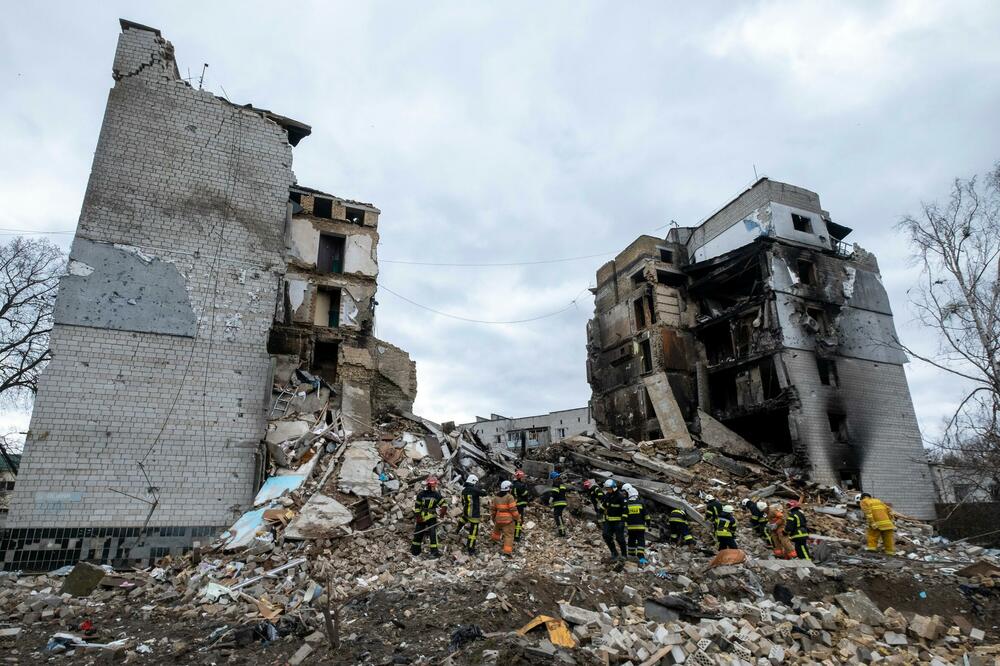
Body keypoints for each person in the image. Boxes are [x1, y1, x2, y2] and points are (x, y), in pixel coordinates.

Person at [411, 476, 446, 557]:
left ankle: (434, 552)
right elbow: (417, 507)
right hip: (422, 517)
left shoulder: (436, 495)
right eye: (433, 485)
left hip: (432, 517)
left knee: (433, 534)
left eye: (435, 485)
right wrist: (418, 517)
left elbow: (443, 503)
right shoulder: (421, 494)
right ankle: (415, 551)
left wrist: (443, 511)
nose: (434, 487)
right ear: (429, 485)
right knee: (417, 534)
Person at [456, 474, 487, 555]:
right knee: (473, 533)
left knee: (463, 519)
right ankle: (471, 549)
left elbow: (463, 502)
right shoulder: (474, 490)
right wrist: (483, 489)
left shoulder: (464, 490)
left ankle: (457, 530)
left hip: (466, 512)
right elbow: (484, 494)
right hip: (474, 514)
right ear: (473, 482)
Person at [490, 480, 521, 557]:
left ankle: (494, 541)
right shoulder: (509, 497)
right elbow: (513, 510)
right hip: (508, 520)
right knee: (509, 535)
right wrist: (518, 518)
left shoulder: (496, 497)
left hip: (498, 518)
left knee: (496, 530)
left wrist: (493, 518)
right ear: (508, 488)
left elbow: (493, 509)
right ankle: (507, 552)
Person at [600, 479, 627, 560]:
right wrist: (599, 511)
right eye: (607, 489)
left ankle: (624, 555)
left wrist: (622, 521)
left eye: (608, 488)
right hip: (609, 521)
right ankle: (614, 553)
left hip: (618, 522)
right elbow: (604, 505)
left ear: (614, 487)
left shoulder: (620, 497)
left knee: (620, 538)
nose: (607, 490)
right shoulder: (608, 495)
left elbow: (625, 510)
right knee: (606, 535)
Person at [624, 486, 651, 562]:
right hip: (640, 527)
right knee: (640, 540)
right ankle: (641, 556)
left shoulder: (627, 504)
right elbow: (646, 515)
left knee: (631, 539)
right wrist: (648, 524)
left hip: (630, 527)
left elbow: (624, 516)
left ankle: (631, 555)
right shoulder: (641, 503)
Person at [546, 470, 569, 537]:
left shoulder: (556, 483)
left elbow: (554, 493)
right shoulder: (562, 483)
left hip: (558, 503)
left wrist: (550, 500)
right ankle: (562, 531)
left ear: (554, 478)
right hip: (562, 502)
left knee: (558, 517)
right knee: (559, 516)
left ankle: (562, 532)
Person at [511, 470, 532, 541]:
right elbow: (525, 494)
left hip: (514, 504)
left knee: (514, 519)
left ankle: (513, 534)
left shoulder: (514, 484)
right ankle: (516, 536)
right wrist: (527, 490)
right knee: (519, 521)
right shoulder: (520, 485)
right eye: (522, 477)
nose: (523, 478)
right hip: (520, 505)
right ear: (519, 477)